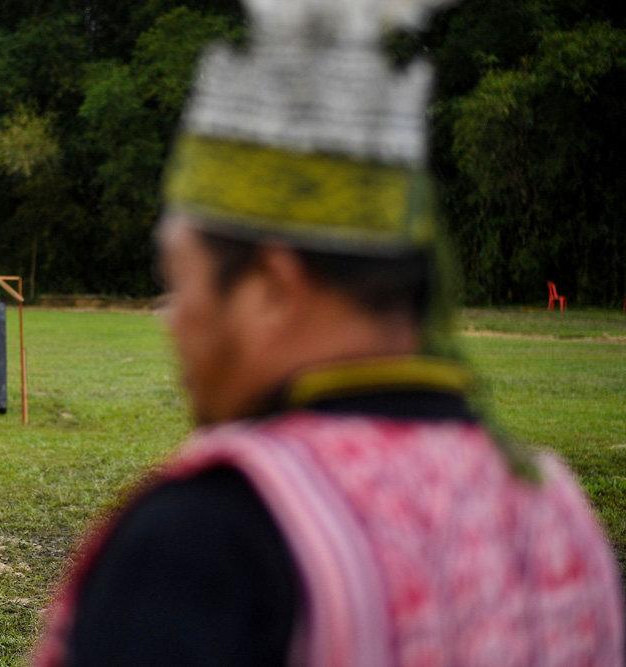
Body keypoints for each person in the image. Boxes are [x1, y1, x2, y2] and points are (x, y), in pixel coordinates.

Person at [33, 1, 623, 665]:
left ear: (273, 286)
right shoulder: (557, 515)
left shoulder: (207, 540)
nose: (168, 319)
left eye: (181, 281)